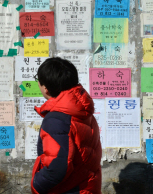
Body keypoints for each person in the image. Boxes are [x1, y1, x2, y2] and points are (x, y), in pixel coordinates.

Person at [31, 57, 102, 194]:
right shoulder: (82, 111)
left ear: (45, 89)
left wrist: (37, 185)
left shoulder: (56, 119)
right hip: (87, 187)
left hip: (69, 189)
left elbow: (57, 167)